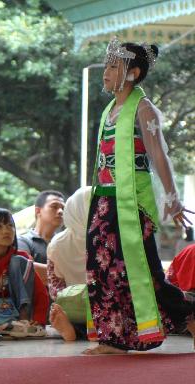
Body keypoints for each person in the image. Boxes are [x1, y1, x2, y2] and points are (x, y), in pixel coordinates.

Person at [84, 37, 195, 355]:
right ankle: (114, 337)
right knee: (103, 268)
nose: (106, 72)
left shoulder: (143, 109)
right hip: (104, 200)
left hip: (132, 204)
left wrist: (172, 198)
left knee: (144, 271)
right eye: (106, 65)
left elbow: (159, 156)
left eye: (113, 66)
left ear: (132, 73)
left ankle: (189, 316)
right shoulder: (110, 109)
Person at [0, 208, 48, 337]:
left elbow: (40, 292)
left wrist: (39, 320)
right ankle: (6, 326)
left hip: (16, 307)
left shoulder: (23, 257)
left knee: (18, 261)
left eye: (10, 226)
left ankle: (23, 320)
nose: (6, 230)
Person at [47, 187, 91, 342]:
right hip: (105, 309)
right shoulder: (110, 239)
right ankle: (96, 331)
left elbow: (55, 289)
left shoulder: (56, 244)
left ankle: (74, 329)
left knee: (59, 308)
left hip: (73, 309)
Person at [18, 190, 65, 283]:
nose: (60, 211)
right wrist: (67, 273)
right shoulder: (23, 241)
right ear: (38, 211)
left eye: (63, 208)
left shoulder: (65, 243)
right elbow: (24, 269)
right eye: (54, 206)